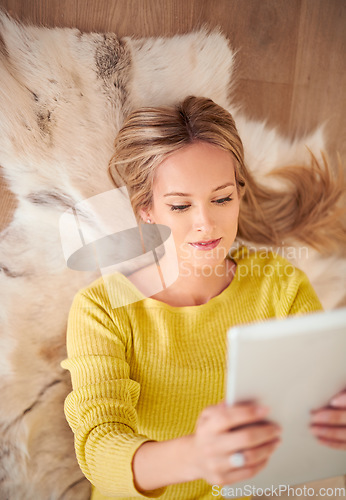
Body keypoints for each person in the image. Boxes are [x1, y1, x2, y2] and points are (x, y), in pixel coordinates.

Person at [61, 96, 346, 500]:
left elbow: (322, 396)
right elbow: (98, 447)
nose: (205, 224)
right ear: (147, 209)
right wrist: (197, 455)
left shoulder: (281, 287)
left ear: (240, 195)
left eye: (222, 198)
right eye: (180, 205)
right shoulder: (102, 310)